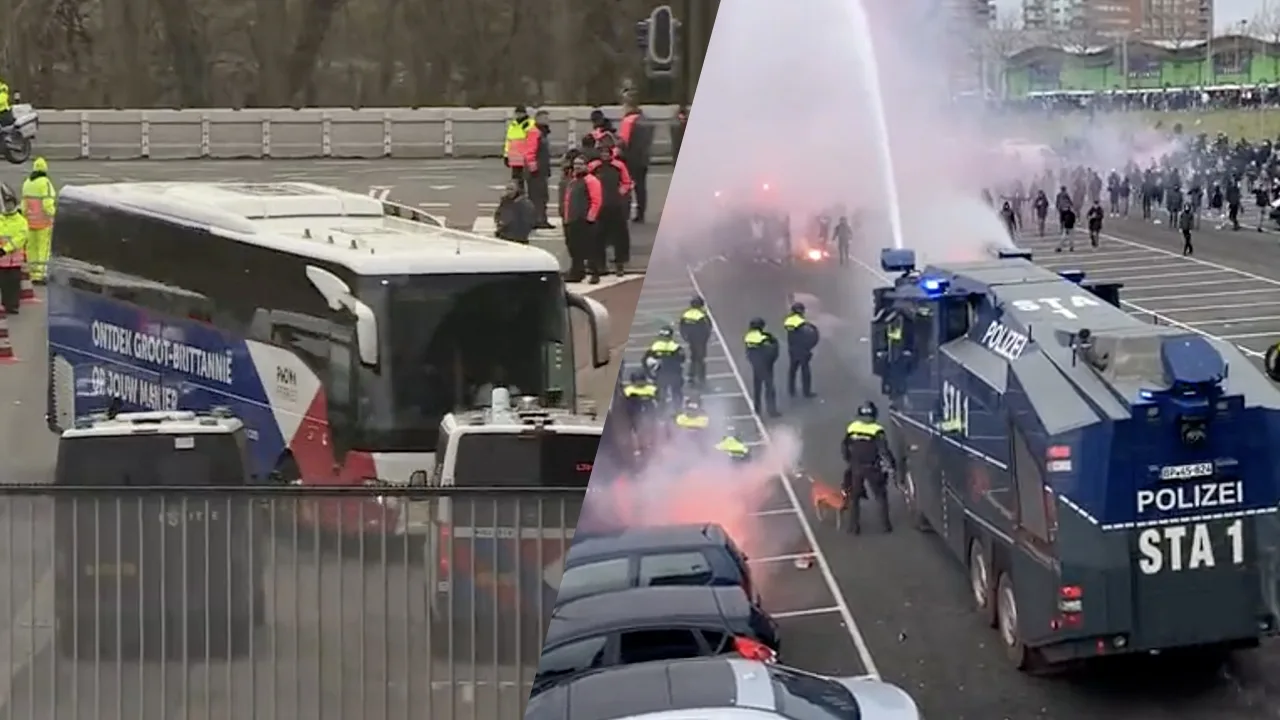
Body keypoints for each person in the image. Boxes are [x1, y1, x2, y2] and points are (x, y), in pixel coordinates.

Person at [840, 402, 895, 535]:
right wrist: (891, 465)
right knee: (881, 495)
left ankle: (853, 527)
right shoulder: (877, 430)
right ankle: (885, 525)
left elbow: (844, 447)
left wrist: (849, 460)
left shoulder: (852, 428)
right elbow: (883, 451)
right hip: (873, 467)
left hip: (856, 467)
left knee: (854, 497)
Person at [588, 137, 634, 277]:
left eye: (607, 152)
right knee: (598, 237)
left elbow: (627, 182)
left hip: (615, 206)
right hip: (600, 207)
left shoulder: (619, 166)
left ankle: (619, 264)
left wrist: (620, 192)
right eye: (602, 152)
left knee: (619, 236)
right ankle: (600, 265)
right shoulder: (594, 166)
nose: (605, 155)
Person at [560, 154, 602, 283]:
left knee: (589, 248)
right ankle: (577, 272)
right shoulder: (573, 181)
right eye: (576, 164)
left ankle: (595, 273)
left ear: (586, 166)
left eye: (580, 164)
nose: (577, 167)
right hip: (572, 220)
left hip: (584, 220)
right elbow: (568, 201)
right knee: (574, 248)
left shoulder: (591, 180)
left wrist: (590, 218)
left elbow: (596, 200)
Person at [618, 97, 654, 224]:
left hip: (630, 158)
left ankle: (625, 213)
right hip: (643, 157)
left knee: (626, 185)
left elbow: (623, 141)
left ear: (629, 107)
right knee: (641, 187)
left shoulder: (628, 121)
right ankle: (641, 213)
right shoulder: (646, 119)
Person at [21, 157, 55, 282]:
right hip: (43, 222)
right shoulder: (45, 183)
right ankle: (42, 274)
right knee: (43, 248)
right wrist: (54, 215)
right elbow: (47, 204)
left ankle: (34, 274)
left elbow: (24, 205)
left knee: (31, 248)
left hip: (30, 222)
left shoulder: (27, 183)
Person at [0, 184, 29, 314]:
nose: (8, 206)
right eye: (6, 203)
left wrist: (6, 248)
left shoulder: (21, 221)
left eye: (11, 203)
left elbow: (21, 237)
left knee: (14, 283)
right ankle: (6, 303)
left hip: (14, 260)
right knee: (4, 283)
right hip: (2, 259)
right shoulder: (1, 220)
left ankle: (13, 305)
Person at [744, 317, 780, 419]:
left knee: (757, 387)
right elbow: (772, 351)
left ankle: (757, 408)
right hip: (766, 366)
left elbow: (749, 352)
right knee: (770, 388)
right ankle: (771, 410)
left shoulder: (748, 337)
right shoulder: (765, 338)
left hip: (755, 365)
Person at [782, 302, 819, 399]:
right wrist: (809, 347)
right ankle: (806, 392)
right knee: (805, 370)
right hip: (802, 349)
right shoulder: (802, 323)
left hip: (792, 348)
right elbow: (810, 336)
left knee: (792, 369)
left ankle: (791, 390)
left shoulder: (788, 321)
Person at [643, 325, 685, 408]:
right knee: (676, 394)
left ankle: (661, 413)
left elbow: (645, 361)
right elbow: (682, 359)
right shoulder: (675, 347)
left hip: (661, 375)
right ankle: (678, 411)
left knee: (661, 395)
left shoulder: (654, 347)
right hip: (674, 374)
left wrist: (650, 375)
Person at [527, 110, 554, 229]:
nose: (548, 120)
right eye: (545, 118)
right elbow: (530, 151)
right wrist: (533, 168)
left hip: (541, 170)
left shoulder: (542, 133)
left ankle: (541, 218)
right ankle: (537, 219)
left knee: (542, 196)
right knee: (538, 196)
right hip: (536, 171)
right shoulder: (535, 132)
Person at [622, 370, 660, 453]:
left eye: (641, 380)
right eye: (637, 381)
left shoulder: (651, 389)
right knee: (635, 431)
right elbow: (625, 403)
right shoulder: (628, 390)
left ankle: (651, 444)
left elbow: (658, 400)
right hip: (634, 412)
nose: (639, 383)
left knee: (651, 427)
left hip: (649, 412)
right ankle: (638, 448)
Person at [679, 296, 711, 388]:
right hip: (700, 341)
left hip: (691, 340)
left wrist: (686, 338)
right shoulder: (702, 315)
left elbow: (682, 327)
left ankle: (691, 377)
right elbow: (708, 328)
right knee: (701, 359)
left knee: (693, 358)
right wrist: (705, 339)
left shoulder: (686, 314)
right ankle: (701, 378)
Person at [503, 106, 535, 190]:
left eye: (520, 113)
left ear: (525, 113)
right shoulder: (513, 125)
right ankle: (518, 196)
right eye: (517, 113)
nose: (518, 115)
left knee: (528, 179)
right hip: (515, 157)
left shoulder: (530, 124)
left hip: (526, 157)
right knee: (516, 180)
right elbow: (509, 141)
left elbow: (532, 141)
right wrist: (506, 155)